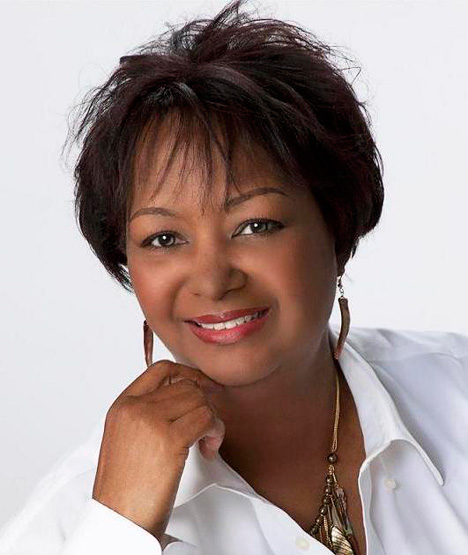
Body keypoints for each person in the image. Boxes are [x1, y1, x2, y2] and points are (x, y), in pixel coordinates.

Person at [1, 0, 467, 554]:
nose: (212, 280)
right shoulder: (70, 524)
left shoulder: (456, 394)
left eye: (255, 225)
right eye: (164, 239)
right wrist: (121, 531)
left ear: (337, 229)